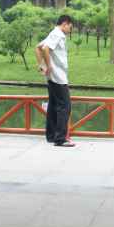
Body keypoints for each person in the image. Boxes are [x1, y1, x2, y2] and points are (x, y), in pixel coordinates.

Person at [35, 15, 75, 147]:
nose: (70, 30)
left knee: (53, 106)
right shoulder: (58, 34)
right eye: (70, 27)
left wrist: (41, 65)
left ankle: (52, 136)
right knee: (65, 106)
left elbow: (38, 47)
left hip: (53, 77)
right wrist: (48, 66)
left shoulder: (53, 33)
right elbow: (45, 48)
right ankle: (60, 139)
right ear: (65, 24)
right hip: (58, 77)